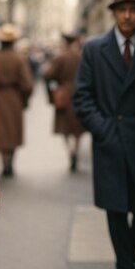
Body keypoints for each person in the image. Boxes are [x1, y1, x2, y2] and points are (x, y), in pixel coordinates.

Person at [73, 0, 135, 269]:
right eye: (122, 9)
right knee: (115, 208)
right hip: (110, 141)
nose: (127, 15)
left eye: (133, 9)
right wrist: (103, 130)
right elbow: (82, 97)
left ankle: (130, 261)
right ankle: (124, 265)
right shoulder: (93, 48)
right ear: (113, 13)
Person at [0, 24, 33, 177]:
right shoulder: (19, 59)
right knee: (13, 131)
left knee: (1, 132)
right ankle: (10, 161)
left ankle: (4, 161)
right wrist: (24, 100)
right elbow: (27, 84)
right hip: (14, 98)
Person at [42, 32, 85, 172]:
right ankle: (76, 150)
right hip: (80, 93)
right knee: (78, 126)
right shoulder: (81, 56)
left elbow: (47, 75)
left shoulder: (61, 57)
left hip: (64, 94)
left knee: (65, 126)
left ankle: (70, 151)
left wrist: (52, 90)